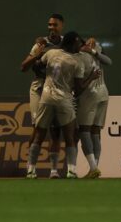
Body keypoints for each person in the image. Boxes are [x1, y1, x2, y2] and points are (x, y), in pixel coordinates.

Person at [26, 32, 100, 179]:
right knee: (70, 137)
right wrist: (91, 77)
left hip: (46, 98)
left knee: (39, 135)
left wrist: (46, 73)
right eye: (78, 43)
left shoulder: (51, 53)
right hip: (64, 101)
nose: (80, 46)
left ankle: (30, 170)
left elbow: (37, 66)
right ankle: (71, 171)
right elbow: (78, 89)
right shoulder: (76, 62)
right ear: (71, 44)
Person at [20, 13, 65, 178]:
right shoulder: (40, 44)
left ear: (62, 26)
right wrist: (36, 56)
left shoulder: (66, 43)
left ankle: (54, 170)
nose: (51, 27)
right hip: (39, 87)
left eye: (55, 25)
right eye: (49, 25)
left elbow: (82, 47)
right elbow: (23, 67)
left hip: (57, 88)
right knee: (38, 128)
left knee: (55, 129)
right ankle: (31, 167)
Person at [76, 37, 112, 178]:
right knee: (95, 132)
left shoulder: (80, 56)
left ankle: (93, 167)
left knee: (84, 130)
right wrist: (94, 51)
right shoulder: (95, 51)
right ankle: (95, 168)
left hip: (89, 95)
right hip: (103, 94)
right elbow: (108, 61)